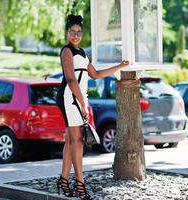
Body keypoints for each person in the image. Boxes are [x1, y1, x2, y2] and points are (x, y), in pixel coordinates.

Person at [56, 14, 129, 200]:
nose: (75, 35)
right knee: (78, 140)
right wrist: (81, 103)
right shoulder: (66, 51)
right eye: (72, 32)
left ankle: (63, 181)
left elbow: (95, 74)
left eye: (79, 32)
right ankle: (80, 184)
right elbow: (71, 79)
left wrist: (119, 66)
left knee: (70, 141)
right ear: (67, 33)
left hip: (79, 98)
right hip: (69, 97)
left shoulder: (82, 52)